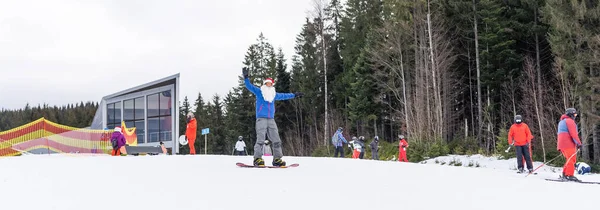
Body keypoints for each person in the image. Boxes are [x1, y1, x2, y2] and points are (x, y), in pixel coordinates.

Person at [242, 67, 303, 166]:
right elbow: (249, 86)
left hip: (271, 119)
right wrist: (246, 77)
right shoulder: (259, 92)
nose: (269, 85)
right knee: (260, 139)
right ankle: (257, 158)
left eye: (270, 83)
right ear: (264, 84)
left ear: (272, 85)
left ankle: (277, 159)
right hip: (261, 118)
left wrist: (294, 95)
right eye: (267, 83)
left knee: (276, 140)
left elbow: (284, 96)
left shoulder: (273, 95)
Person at [557, 108, 582, 181]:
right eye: (574, 114)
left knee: (569, 159)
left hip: (562, 144)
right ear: (570, 114)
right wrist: (578, 143)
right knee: (572, 159)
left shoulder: (562, 121)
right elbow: (573, 134)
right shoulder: (569, 121)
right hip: (568, 143)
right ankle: (569, 175)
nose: (575, 116)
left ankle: (565, 174)